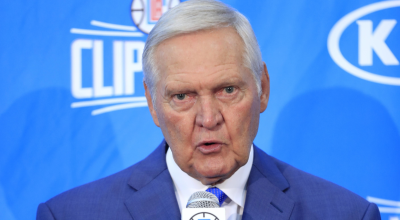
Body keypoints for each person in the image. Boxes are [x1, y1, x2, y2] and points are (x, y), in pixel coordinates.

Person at [36, 0, 381, 219]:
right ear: (152, 105)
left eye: (228, 90)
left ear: (263, 89)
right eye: (182, 97)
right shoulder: (70, 214)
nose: (208, 118)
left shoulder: (344, 213)